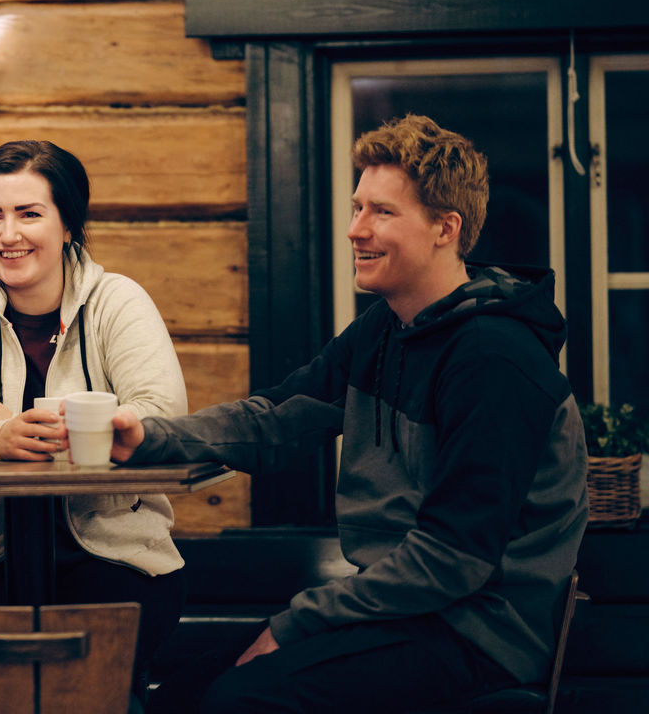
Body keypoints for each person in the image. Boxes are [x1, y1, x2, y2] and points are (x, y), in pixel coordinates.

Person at [111, 114, 590, 713]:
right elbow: (275, 420)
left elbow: (453, 559)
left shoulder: (494, 359)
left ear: (446, 228)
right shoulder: (385, 329)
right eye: (357, 207)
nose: (355, 229)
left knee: (241, 700)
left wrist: (297, 622)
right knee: (182, 694)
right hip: (400, 610)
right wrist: (146, 435)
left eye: (382, 212)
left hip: (477, 631)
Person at [0, 139, 190, 705]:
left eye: (29, 214)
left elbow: (163, 411)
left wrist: (83, 432)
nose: (8, 235)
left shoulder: (117, 300)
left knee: (89, 693)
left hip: (120, 554)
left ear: (68, 225)